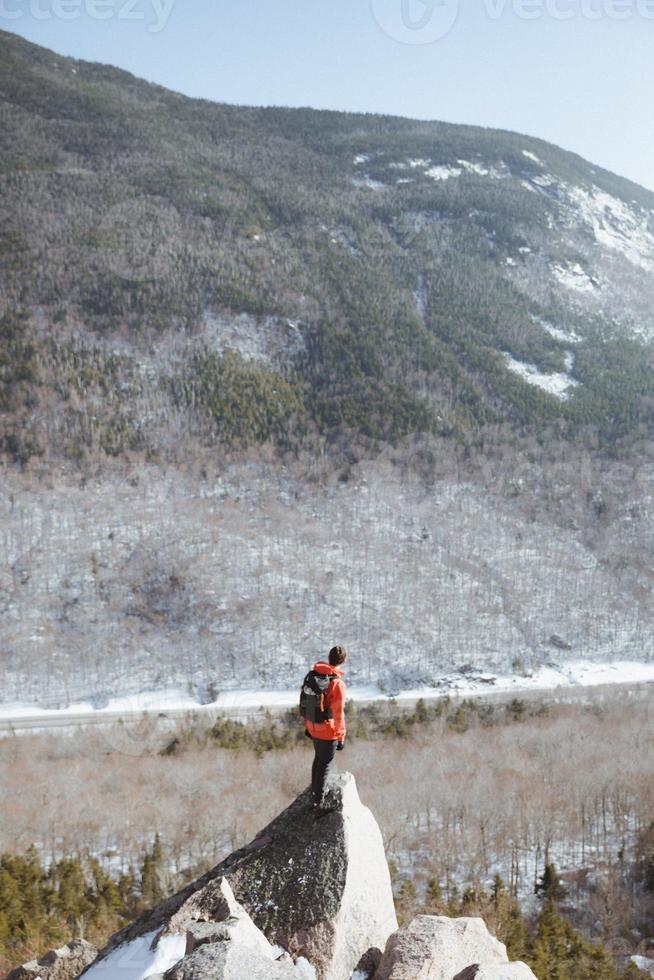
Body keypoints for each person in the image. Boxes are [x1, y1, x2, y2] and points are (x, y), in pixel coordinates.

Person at [303, 645, 348, 811]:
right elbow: (338, 713)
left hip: (313, 726)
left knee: (319, 760)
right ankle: (318, 804)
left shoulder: (314, 675)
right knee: (325, 764)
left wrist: (308, 724)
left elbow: (305, 702)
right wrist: (341, 736)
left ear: (329, 658)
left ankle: (315, 795)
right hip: (327, 731)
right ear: (344, 661)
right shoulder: (336, 683)